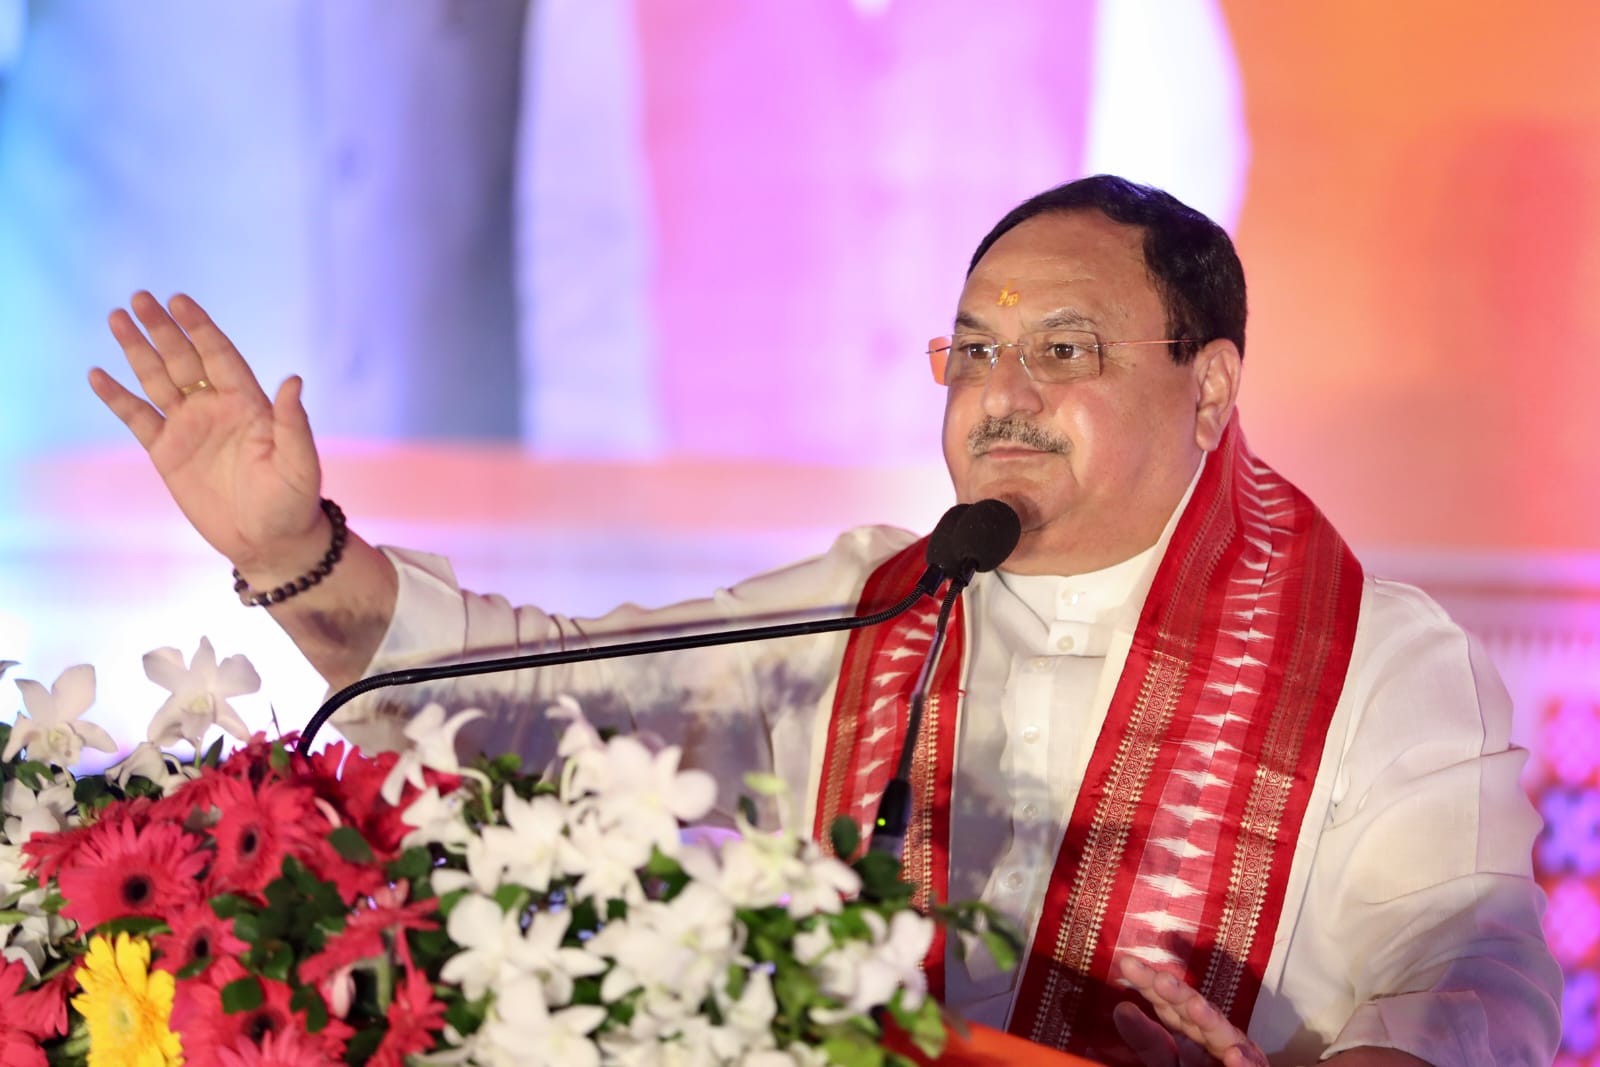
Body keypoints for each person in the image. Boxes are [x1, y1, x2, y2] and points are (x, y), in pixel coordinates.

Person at [88, 176, 1562, 1067]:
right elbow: (535, 707)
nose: (1003, 393)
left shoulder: (1377, 658)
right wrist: (298, 554)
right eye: (974, 349)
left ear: (1214, 389)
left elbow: (1478, 978)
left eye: (1066, 351)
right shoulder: (878, 603)